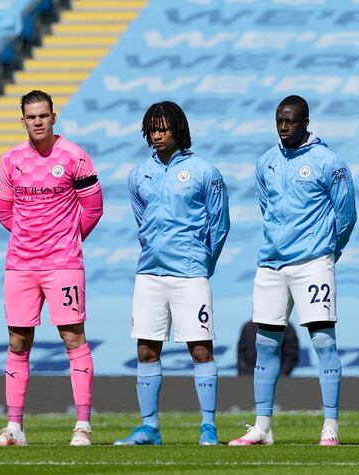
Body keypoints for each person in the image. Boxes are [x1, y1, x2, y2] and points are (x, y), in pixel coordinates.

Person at [229, 95, 357, 447]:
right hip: (271, 263)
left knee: (323, 341)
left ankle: (330, 426)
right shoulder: (266, 162)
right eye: (279, 121)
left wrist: (328, 251)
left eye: (290, 122)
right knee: (265, 343)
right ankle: (262, 426)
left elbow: (346, 215)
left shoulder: (328, 162)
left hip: (313, 262)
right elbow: (266, 208)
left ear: (305, 122)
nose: (283, 127)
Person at [0, 90, 104, 447]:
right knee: (18, 341)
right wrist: (31, 238)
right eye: (31, 116)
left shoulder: (75, 157)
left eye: (43, 115)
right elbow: (4, 213)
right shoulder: (10, 161)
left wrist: (66, 239)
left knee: (72, 337)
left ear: (53, 117)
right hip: (20, 265)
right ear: (22, 121)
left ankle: (82, 425)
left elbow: (93, 209)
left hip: (63, 264)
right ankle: (14, 429)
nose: (37, 121)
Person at [114, 101, 230, 446]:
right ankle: (149, 428)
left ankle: (208, 427)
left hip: (190, 274)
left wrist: (201, 264)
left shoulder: (204, 171)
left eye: (163, 128)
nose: (157, 135)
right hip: (149, 273)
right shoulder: (138, 175)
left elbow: (219, 224)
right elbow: (142, 221)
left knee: (200, 349)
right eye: (152, 128)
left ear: (179, 130)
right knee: (147, 350)